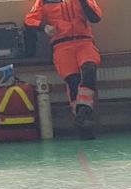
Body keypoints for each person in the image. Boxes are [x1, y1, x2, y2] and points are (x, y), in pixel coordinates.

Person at [24, 0, 103, 139]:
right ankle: (82, 120)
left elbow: (96, 17)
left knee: (89, 69)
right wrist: (44, 26)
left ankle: (83, 112)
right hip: (61, 46)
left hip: (84, 42)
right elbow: (29, 20)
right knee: (73, 80)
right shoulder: (43, 1)